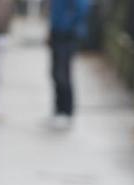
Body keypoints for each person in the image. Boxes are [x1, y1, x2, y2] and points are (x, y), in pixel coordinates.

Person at [47, 0, 88, 130]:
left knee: (63, 74)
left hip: (67, 35)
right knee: (55, 73)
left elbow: (82, 8)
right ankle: (58, 110)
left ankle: (66, 111)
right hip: (57, 33)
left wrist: (67, 24)